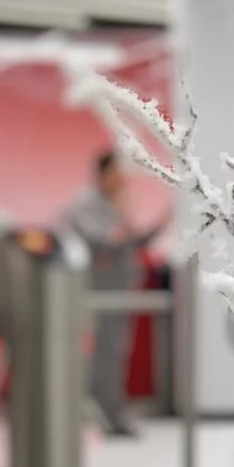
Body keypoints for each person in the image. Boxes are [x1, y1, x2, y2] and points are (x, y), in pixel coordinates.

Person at [58, 151, 165, 437]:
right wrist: (121, 219)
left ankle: (111, 413)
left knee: (114, 353)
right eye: (116, 174)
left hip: (121, 290)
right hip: (98, 292)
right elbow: (104, 242)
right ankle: (102, 413)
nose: (121, 180)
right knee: (100, 353)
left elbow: (133, 244)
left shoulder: (116, 204)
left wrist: (158, 224)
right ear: (103, 174)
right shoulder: (85, 205)